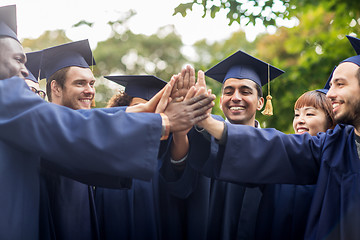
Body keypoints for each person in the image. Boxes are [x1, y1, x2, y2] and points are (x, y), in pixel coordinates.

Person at [0, 5, 215, 239]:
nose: (25, 69)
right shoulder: (6, 99)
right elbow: (66, 124)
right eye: (18, 59)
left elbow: (79, 125)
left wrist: (145, 111)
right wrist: (161, 121)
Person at [193, 35, 360, 240]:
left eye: (340, 84)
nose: (330, 93)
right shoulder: (333, 146)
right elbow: (280, 147)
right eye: (297, 114)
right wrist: (208, 123)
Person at [164, 51, 284, 240]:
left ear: (261, 102)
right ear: (221, 100)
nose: (235, 97)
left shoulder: (274, 148)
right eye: (228, 92)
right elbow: (180, 186)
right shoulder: (202, 137)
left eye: (245, 91)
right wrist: (181, 132)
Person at [256, 87, 335, 240]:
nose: (300, 120)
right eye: (297, 115)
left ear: (331, 121)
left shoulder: (338, 164)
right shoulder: (283, 158)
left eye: (309, 114)